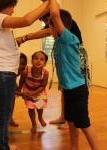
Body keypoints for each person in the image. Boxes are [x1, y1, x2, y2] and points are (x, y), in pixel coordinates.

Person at [0, 0, 49, 149]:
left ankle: (2, 145)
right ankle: (2, 147)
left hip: (2, 74)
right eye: (13, 6)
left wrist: (23, 38)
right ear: (5, 4)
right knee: (2, 116)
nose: (13, 10)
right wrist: (47, 3)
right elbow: (27, 20)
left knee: (1, 115)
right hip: (3, 74)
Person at [49, 0, 98, 149]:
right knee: (70, 122)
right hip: (68, 90)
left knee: (84, 124)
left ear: (57, 26)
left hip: (78, 91)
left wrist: (51, 2)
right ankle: (73, 147)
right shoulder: (58, 42)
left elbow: (55, 14)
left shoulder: (68, 39)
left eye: (50, 26)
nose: (49, 29)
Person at [18, 51, 49, 133]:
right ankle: (34, 123)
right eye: (36, 59)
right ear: (31, 61)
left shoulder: (45, 73)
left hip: (39, 92)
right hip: (28, 91)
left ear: (45, 63)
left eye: (42, 59)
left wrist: (34, 93)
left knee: (39, 106)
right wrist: (19, 90)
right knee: (31, 108)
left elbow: (43, 86)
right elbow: (21, 81)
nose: (38, 61)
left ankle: (40, 117)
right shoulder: (26, 71)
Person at [10, 53, 27, 127]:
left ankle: (9, 118)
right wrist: (22, 93)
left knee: (12, 101)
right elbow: (10, 91)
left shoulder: (18, 73)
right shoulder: (10, 73)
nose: (22, 66)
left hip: (9, 85)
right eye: (19, 64)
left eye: (24, 64)